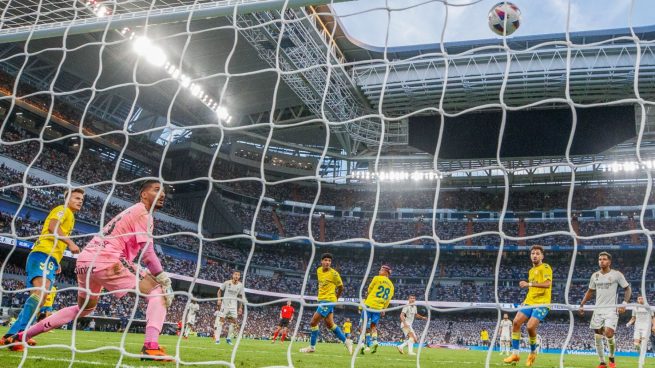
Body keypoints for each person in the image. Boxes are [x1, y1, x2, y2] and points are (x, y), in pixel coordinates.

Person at [6, 181, 174, 361]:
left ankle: (21, 336)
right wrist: (163, 278)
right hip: (107, 259)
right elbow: (148, 254)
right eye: (157, 190)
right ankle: (150, 347)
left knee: (84, 308)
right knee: (159, 291)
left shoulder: (132, 211)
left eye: (163, 191)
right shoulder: (143, 213)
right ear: (143, 194)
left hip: (86, 260)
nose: (162, 194)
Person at [1, 188, 84, 349]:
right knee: (40, 293)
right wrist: (70, 243)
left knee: (41, 297)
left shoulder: (71, 217)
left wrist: (56, 259)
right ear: (67, 199)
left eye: (81, 199)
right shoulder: (62, 210)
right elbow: (53, 227)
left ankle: (11, 335)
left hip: (49, 257)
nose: (80, 201)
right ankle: (21, 334)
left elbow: (53, 236)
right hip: (42, 255)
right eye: (76, 198)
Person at [579, 252, 632, 368]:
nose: (601, 261)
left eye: (604, 259)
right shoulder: (595, 276)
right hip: (598, 310)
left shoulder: (617, 275)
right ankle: (602, 362)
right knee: (597, 335)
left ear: (609, 262)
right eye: (599, 259)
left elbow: (628, 289)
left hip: (611, 310)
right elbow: (590, 291)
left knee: (608, 333)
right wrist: (582, 303)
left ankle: (612, 357)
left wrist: (624, 303)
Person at [504, 245, 552, 367]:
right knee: (515, 323)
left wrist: (528, 283)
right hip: (529, 302)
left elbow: (547, 284)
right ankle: (515, 354)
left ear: (542, 256)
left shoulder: (545, 267)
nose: (535, 255)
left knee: (530, 327)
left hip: (542, 303)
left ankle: (533, 352)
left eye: (537, 253)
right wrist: (525, 301)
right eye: (533, 253)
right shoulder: (531, 271)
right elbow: (532, 290)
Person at [300, 253, 353, 354]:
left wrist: (336, 298)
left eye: (329, 261)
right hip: (322, 300)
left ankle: (312, 347)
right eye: (326, 260)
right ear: (321, 261)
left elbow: (341, 287)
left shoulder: (334, 274)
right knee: (330, 324)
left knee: (313, 322)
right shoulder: (318, 270)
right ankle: (347, 341)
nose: (327, 262)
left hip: (329, 300)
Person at [359, 265, 394, 355]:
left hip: (369, 304)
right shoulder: (391, 285)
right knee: (373, 326)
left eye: (381, 270)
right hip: (378, 308)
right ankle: (374, 341)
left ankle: (362, 344)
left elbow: (369, 289)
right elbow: (388, 299)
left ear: (386, 272)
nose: (379, 271)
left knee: (363, 325)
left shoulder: (377, 278)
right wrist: (384, 309)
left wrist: (369, 297)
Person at [215, 271, 244, 345]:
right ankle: (217, 339)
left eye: (238, 275)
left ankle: (228, 338)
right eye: (235, 274)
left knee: (234, 322)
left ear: (239, 276)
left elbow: (241, 297)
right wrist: (219, 299)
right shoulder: (227, 282)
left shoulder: (240, 285)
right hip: (225, 304)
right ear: (233, 275)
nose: (237, 276)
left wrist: (240, 307)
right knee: (221, 320)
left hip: (234, 306)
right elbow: (219, 291)